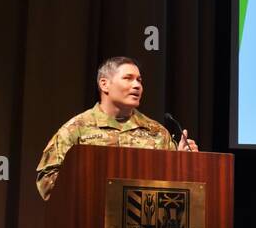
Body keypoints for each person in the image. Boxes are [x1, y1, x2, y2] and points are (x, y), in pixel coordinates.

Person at [35, 56, 199, 200]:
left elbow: (173, 190)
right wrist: (87, 180)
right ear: (104, 84)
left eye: (139, 80)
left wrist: (181, 163)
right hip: (91, 222)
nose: (137, 85)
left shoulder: (157, 132)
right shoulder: (76, 129)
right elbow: (46, 184)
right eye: (128, 78)